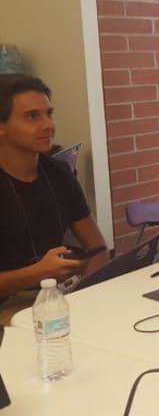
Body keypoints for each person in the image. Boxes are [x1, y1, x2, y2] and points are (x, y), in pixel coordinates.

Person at [0, 74, 107, 323]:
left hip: (58, 296)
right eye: (32, 117)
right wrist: (38, 273)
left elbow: (97, 247)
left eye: (49, 113)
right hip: (11, 306)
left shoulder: (57, 173)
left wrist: (88, 289)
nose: (48, 125)